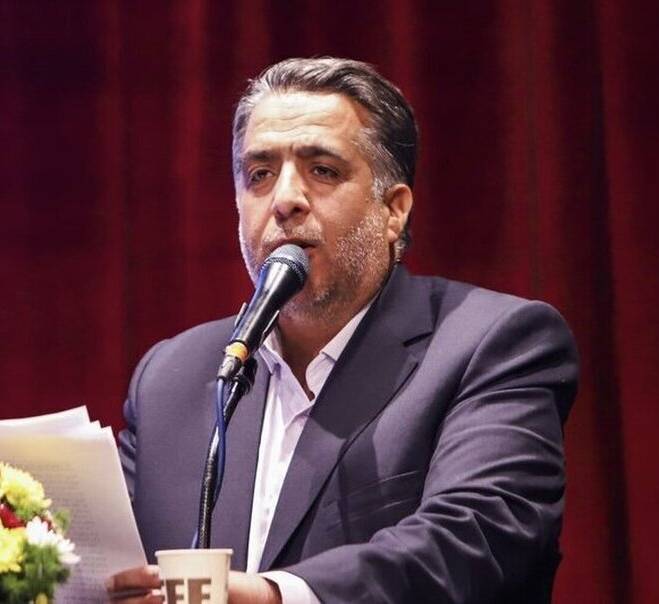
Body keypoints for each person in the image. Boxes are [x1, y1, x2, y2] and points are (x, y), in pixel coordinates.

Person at [106, 57, 578, 603]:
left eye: (323, 170)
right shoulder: (170, 378)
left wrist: (276, 597)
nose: (284, 199)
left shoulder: (493, 344)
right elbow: (106, 569)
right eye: (260, 174)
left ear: (393, 210)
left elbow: (476, 540)